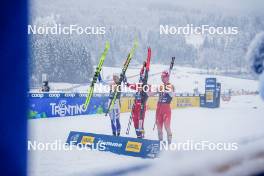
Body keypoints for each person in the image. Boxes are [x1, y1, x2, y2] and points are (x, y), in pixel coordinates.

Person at [125, 72, 151, 138]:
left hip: (141, 107)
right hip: (135, 107)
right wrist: (125, 82)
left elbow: (149, 91)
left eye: (142, 79)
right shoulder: (138, 85)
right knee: (135, 123)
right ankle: (138, 136)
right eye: (140, 79)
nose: (141, 80)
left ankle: (142, 135)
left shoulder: (147, 87)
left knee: (140, 123)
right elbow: (130, 86)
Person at [155, 70, 174, 144]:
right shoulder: (160, 86)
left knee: (167, 127)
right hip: (159, 109)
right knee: (159, 128)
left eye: (163, 77)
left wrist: (167, 89)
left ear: (167, 77)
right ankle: (160, 143)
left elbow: (172, 95)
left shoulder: (171, 86)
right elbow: (151, 93)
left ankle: (169, 143)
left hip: (166, 109)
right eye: (161, 77)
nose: (162, 78)